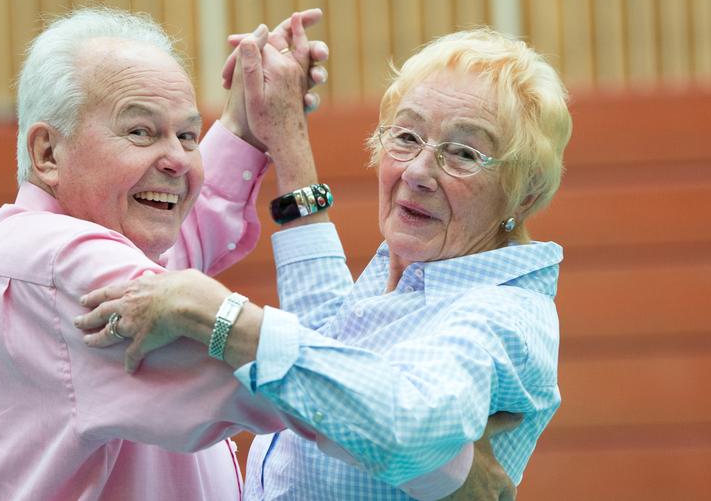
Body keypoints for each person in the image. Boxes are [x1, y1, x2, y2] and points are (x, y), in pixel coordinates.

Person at [0, 6, 505, 500]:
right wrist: (446, 466)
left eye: (189, 136)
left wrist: (246, 125)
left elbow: (179, 252)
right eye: (142, 132)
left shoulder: (75, 246)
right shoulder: (65, 266)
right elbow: (312, 392)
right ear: (48, 152)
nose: (177, 160)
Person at [77, 26, 572, 500]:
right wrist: (285, 133)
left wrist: (216, 314)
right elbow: (327, 338)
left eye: (463, 153)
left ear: (524, 193)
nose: (418, 172)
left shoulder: (505, 315)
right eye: (406, 137)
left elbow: (407, 423)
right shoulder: (418, 267)